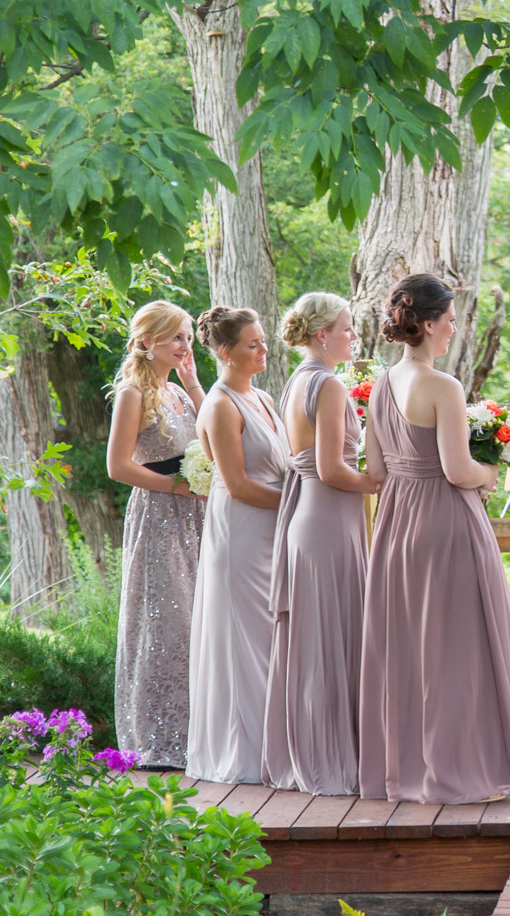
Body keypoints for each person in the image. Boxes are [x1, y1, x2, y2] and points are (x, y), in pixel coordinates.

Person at [359, 274, 510, 804]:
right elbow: (458, 470)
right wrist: (492, 473)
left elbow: (375, 468)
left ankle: (413, 771)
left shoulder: (379, 385)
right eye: (449, 319)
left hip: (397, 524)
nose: (454, 328)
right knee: (459, 649)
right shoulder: (443, 387)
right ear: (426, 323)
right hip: (445, 521)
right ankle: (461, 771)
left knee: (412, 648)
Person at [264, 292, 377, 796]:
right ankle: (332, 758)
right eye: (348, 329)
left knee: (317, 643)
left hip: (313, 521)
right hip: (329, 522)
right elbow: (333, 469)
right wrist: (385, 478)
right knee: (333, 640)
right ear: (321, 335)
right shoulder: (328, 385)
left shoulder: (296, 381)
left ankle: (316, 750)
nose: (354, 337)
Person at [106, 300, 208, 769]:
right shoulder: (132, 393)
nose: (185, 346)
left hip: (196, 518)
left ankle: (198, 736)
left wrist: (192, 383)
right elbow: (118, 466)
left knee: (198, 623)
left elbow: (211, 436)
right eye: (176, 338)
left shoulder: (181, 393)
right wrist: (176, 487)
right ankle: (158, 740)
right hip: (160, 515)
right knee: (167, 625)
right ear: (147, 342)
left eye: (188, 337)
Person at [187, 306, 286, 784]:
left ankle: (282, 744)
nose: (264, 350)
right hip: (243, 532)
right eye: (253, 344)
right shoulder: (221, 405)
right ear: (225, 353)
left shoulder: (264, 398)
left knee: (273, 638)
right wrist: (298, 501)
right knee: (246, 641)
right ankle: (247, 755)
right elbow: (239, 484)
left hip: (273, 530)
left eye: (263, 341)